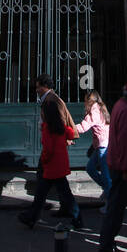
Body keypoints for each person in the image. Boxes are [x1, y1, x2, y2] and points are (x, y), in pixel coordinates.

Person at [18, 94, 83, 230]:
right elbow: (71, 133)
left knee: (42, 193)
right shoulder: (60, 127)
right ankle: (76, 217)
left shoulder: (48, 128)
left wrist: (44, 159)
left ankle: (33, 217)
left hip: (51, 166)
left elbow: (48, 148)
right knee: (63, 193)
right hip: (61, 165)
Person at [98, 79, 127, 252]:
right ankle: (107, 243)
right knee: (117, 208)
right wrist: (126, 168)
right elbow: (125, 141)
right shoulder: (126, 111)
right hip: (123, 167)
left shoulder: (119, 106)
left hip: (118, 164)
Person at [73, 91, 112, 203]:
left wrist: (69, 127)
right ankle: (107, 189)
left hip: (103, 146)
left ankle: (110, 201)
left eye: (86, 100)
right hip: (102, 144)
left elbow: (83, 127)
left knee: (105, 175)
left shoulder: (94, 111)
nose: (85, 103)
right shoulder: (100, 108)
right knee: (91, 168)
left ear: (90, 101)